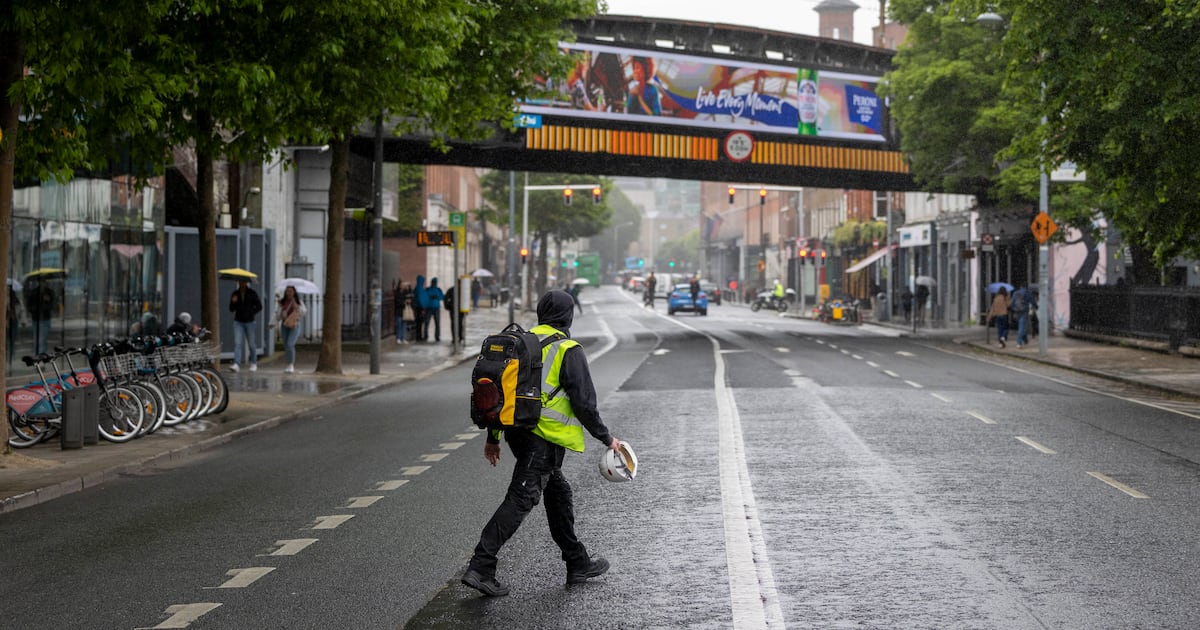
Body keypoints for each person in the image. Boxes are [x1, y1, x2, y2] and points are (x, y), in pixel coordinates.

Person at [461, 289, 622, 598]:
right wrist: (607, 438)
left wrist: (493, 438)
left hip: (518, 433)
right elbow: (585, 404)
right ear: (568, 315)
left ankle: (577, 561)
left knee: (558, 492)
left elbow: (501, 392)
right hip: (543, 439)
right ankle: (481, 566)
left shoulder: (524, 341)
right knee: (520, 499)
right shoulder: (567, 348)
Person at [228, 277, 262, 372]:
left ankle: (253, 363)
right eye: (239, 281)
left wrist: (252, 312)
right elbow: (231, 309)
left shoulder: (252, 293)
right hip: (238, 321)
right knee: (238, 343)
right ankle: (236, 363)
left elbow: (259, 306)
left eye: (243, 281)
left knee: (251, 343)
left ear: (246, 282)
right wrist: (233, 302)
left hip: (250, 321)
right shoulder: (235, 294)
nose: (241, 283)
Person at [271, 286, 307, 373]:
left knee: (290, 344)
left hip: (294, 325)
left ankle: (291, 364)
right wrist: (272, 323)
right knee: (286, 345)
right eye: (287, 291)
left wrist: (297, 307)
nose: (289, 293)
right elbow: (277, 313)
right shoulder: (282, 302)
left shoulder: (298, 302)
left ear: (294, 292)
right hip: (285, 324)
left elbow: (304, 312)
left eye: (291, 291)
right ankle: (288, 364)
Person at [25, 280, 55, 356]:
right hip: (37, 319)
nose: (43, 283)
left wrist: (48, 301)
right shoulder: (34, 292)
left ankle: (42, 355)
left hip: (46, 318)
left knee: (44, 339)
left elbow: (53, 305)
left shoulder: (49, 292)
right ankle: (38, 357)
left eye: (44, 282)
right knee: (38, 340)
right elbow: (29, 305)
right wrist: (35, 309)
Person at [425, 277, 445, 342]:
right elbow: (425, 296)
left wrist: (437, 297)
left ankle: (437, 336)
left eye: (434, 282)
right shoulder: (428, 289)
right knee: (427, 322)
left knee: (437, 323)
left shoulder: (438, 289)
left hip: (436, 308)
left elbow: (442, 297)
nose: (434, 283)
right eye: (433, 282)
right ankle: (426, 335)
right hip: (429, 308)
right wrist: (431, 297)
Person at [7, 285, 20, 365]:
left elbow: (19, 310)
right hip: (6, 323)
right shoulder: (4, 299)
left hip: (13, 322)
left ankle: (10, 358)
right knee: (6, 342)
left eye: (8, 290)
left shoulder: (15, 301)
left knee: (12, 341)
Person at [413, 275, 429, 342]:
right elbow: (420, 299)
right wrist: (423, 308)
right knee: (419, 323)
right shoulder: (419, 289)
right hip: (420, 308)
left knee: (419, 323)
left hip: (419, 307)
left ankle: (419, 336)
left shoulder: (418, 288)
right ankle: (418, 336)